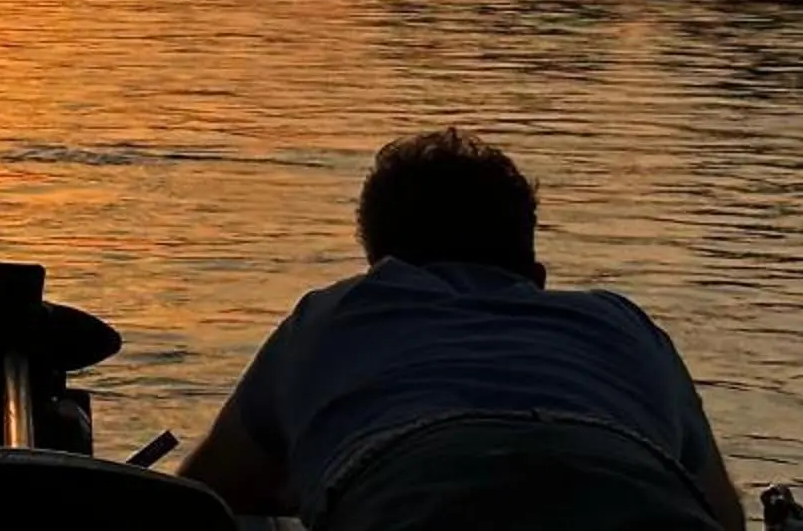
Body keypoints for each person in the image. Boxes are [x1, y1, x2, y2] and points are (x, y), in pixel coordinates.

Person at [179, 128, 745, 531]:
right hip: (642, 492)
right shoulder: (621, 321)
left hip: (416, 490)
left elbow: (203, 498)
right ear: (535, 277)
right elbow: (724, 516)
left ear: (379, 266)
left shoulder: (335, 313)